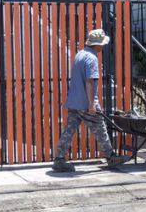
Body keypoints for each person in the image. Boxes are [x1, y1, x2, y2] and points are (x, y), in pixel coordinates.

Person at [52, 28, 131, 172]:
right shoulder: (92, 58)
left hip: (74, 101)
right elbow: (89, 81)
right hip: (85, 103)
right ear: (98, 44)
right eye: (102, 44)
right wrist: (91, 104)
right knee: (100, 128)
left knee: (68, 130)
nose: (103, 46)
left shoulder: (80, 55)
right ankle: (111, 157)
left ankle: (59, 159)